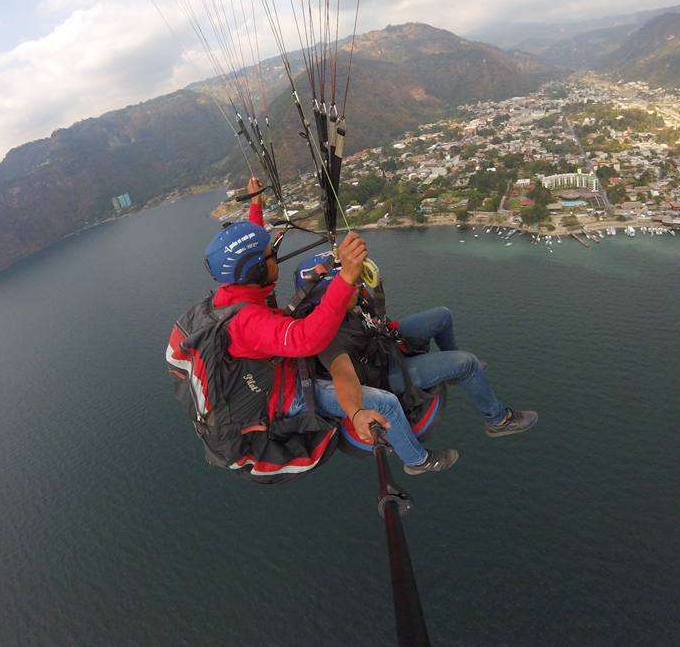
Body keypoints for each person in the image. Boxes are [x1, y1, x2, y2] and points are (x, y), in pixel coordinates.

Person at [168, 179, 448, 480]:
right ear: (258, 270)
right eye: (271, 254)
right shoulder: (248, 322)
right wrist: (345, 280)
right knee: (386, 403)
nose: (276, 255)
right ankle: (417, 459)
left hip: (263, 370)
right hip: (280, 398)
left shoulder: (235, 294)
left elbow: (249, 255)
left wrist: (256, 207)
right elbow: (306, 340)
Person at [293, 251, 537, 474]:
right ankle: (495, 422)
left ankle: (455, 373)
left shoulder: (349, 307)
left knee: (442, 316)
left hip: (381, 348)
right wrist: (356, 412)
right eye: (350, 286)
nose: (356, 287)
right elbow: (343, 375)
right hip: (382, 375)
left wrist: (371, 279)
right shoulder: (325, 336)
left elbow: (377, 313)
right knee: (467, 363)